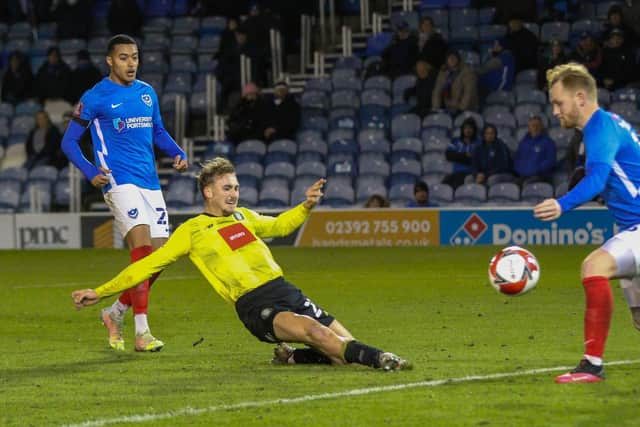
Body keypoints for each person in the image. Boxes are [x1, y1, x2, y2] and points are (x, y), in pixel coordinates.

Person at [71, 157, 411, 371]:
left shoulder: (244, 217)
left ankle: (292, 357)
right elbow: (144, 266)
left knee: (339, 352)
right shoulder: (192, 231)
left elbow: (279, 226)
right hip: (255, 304)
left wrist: (306, 206)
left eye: (235, 187)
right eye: (226, 188)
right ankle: (383, 358)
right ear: (208, 191)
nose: (233, 194)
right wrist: (100, 292)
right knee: (318, 333)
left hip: (287, 291)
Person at [61, 34, 189, 352]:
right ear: (110, 60)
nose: (131, 63)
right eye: (123, 57)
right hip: (119, 182)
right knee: (143, 251)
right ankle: (142, 333)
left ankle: (114, 312)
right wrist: (91, 171)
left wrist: (176, 151)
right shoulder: (95, 96)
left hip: (150, 182)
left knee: (159, 259)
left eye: (134, 57)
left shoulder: (146, 93)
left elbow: (157, 129)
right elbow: (68, 141)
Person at [534, 62, 640, 383]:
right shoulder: (606, 125)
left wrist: (561, 204)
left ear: (580, 97)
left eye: (558, 103)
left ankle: (591, 364)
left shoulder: (600, 128)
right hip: (630, 228)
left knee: (594, 267)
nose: (554, 111)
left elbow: (597, 179)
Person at [513, 116, 557, 185]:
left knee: (526, 184)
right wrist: (520, 171)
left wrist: (535, 170)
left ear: (542, 127)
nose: (535, 128)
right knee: (513, 186)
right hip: (523, 175)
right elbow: (517, 159)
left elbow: (550, 161)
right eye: (533, 125)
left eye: (538, 125)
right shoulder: (523, 142)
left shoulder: (548, 142)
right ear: (529, 128)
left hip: (540, 176)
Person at [444, 117, 480, 189]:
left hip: (469, 174)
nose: (468, 130)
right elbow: (449, 155)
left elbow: (476, 160)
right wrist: (465, 156)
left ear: (474, 130)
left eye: (470, 128)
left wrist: (458, 157)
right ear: (462, 129)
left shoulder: (479, 143)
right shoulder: (456, 141)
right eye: (466, 128)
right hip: (455, 173)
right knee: (444, 186)